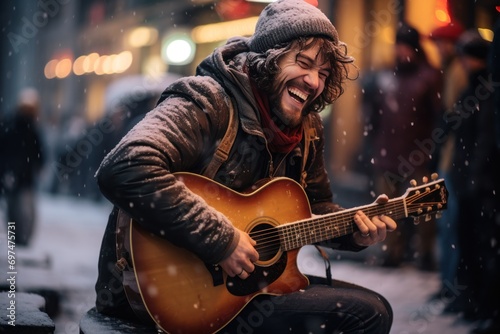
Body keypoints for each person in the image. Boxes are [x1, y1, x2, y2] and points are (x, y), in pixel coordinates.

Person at [94, 0, 397, 332]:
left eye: (323, 74)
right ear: (269, 58)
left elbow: (314, 209)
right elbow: (125, 166)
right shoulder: (208, 101)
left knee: (378, 306)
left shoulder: (308, 128)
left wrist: (353, 232)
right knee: (365, 314)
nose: (313, 81)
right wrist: (220, 240)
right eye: (303, 63)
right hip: (157, 294)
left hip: (240, 290)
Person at [363, 23, 443, 270]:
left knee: (422, 208)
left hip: (418, 153)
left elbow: (439, 116)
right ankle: (391, 253)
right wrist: (373, 146)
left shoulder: (429, 77)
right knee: (387, 207)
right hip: (387, 153)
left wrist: (431, 149)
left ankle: (424, 254)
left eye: (407, 46)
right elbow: (374, 116)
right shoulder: (386, 76)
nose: (403, 52)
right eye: (400, 46)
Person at [442, 30, 500, 333]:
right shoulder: (479, 90)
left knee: (477, 246)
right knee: (469, 243)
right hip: (471, 180)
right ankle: (473, 300)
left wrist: (474, 179)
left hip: (478, 184)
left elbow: (482, 140)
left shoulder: (483, 91)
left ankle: (480, 303)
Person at [427, 22, 466, 299]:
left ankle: (451, 285)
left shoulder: (457, 72)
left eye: (443, 43)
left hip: (455, 160)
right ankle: (449, 284)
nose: (439, 49)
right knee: (448, 225)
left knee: (451, 226)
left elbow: (453, 117)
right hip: (451, 158)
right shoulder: (450, 70)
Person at [0, 88, 45, 246]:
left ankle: (17, 237)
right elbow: (38, 152)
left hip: (14, 175)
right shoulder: (28, 128)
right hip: (21, 175)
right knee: (21, 210)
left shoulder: (11, 124)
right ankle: (21, 238)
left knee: (15, 209)